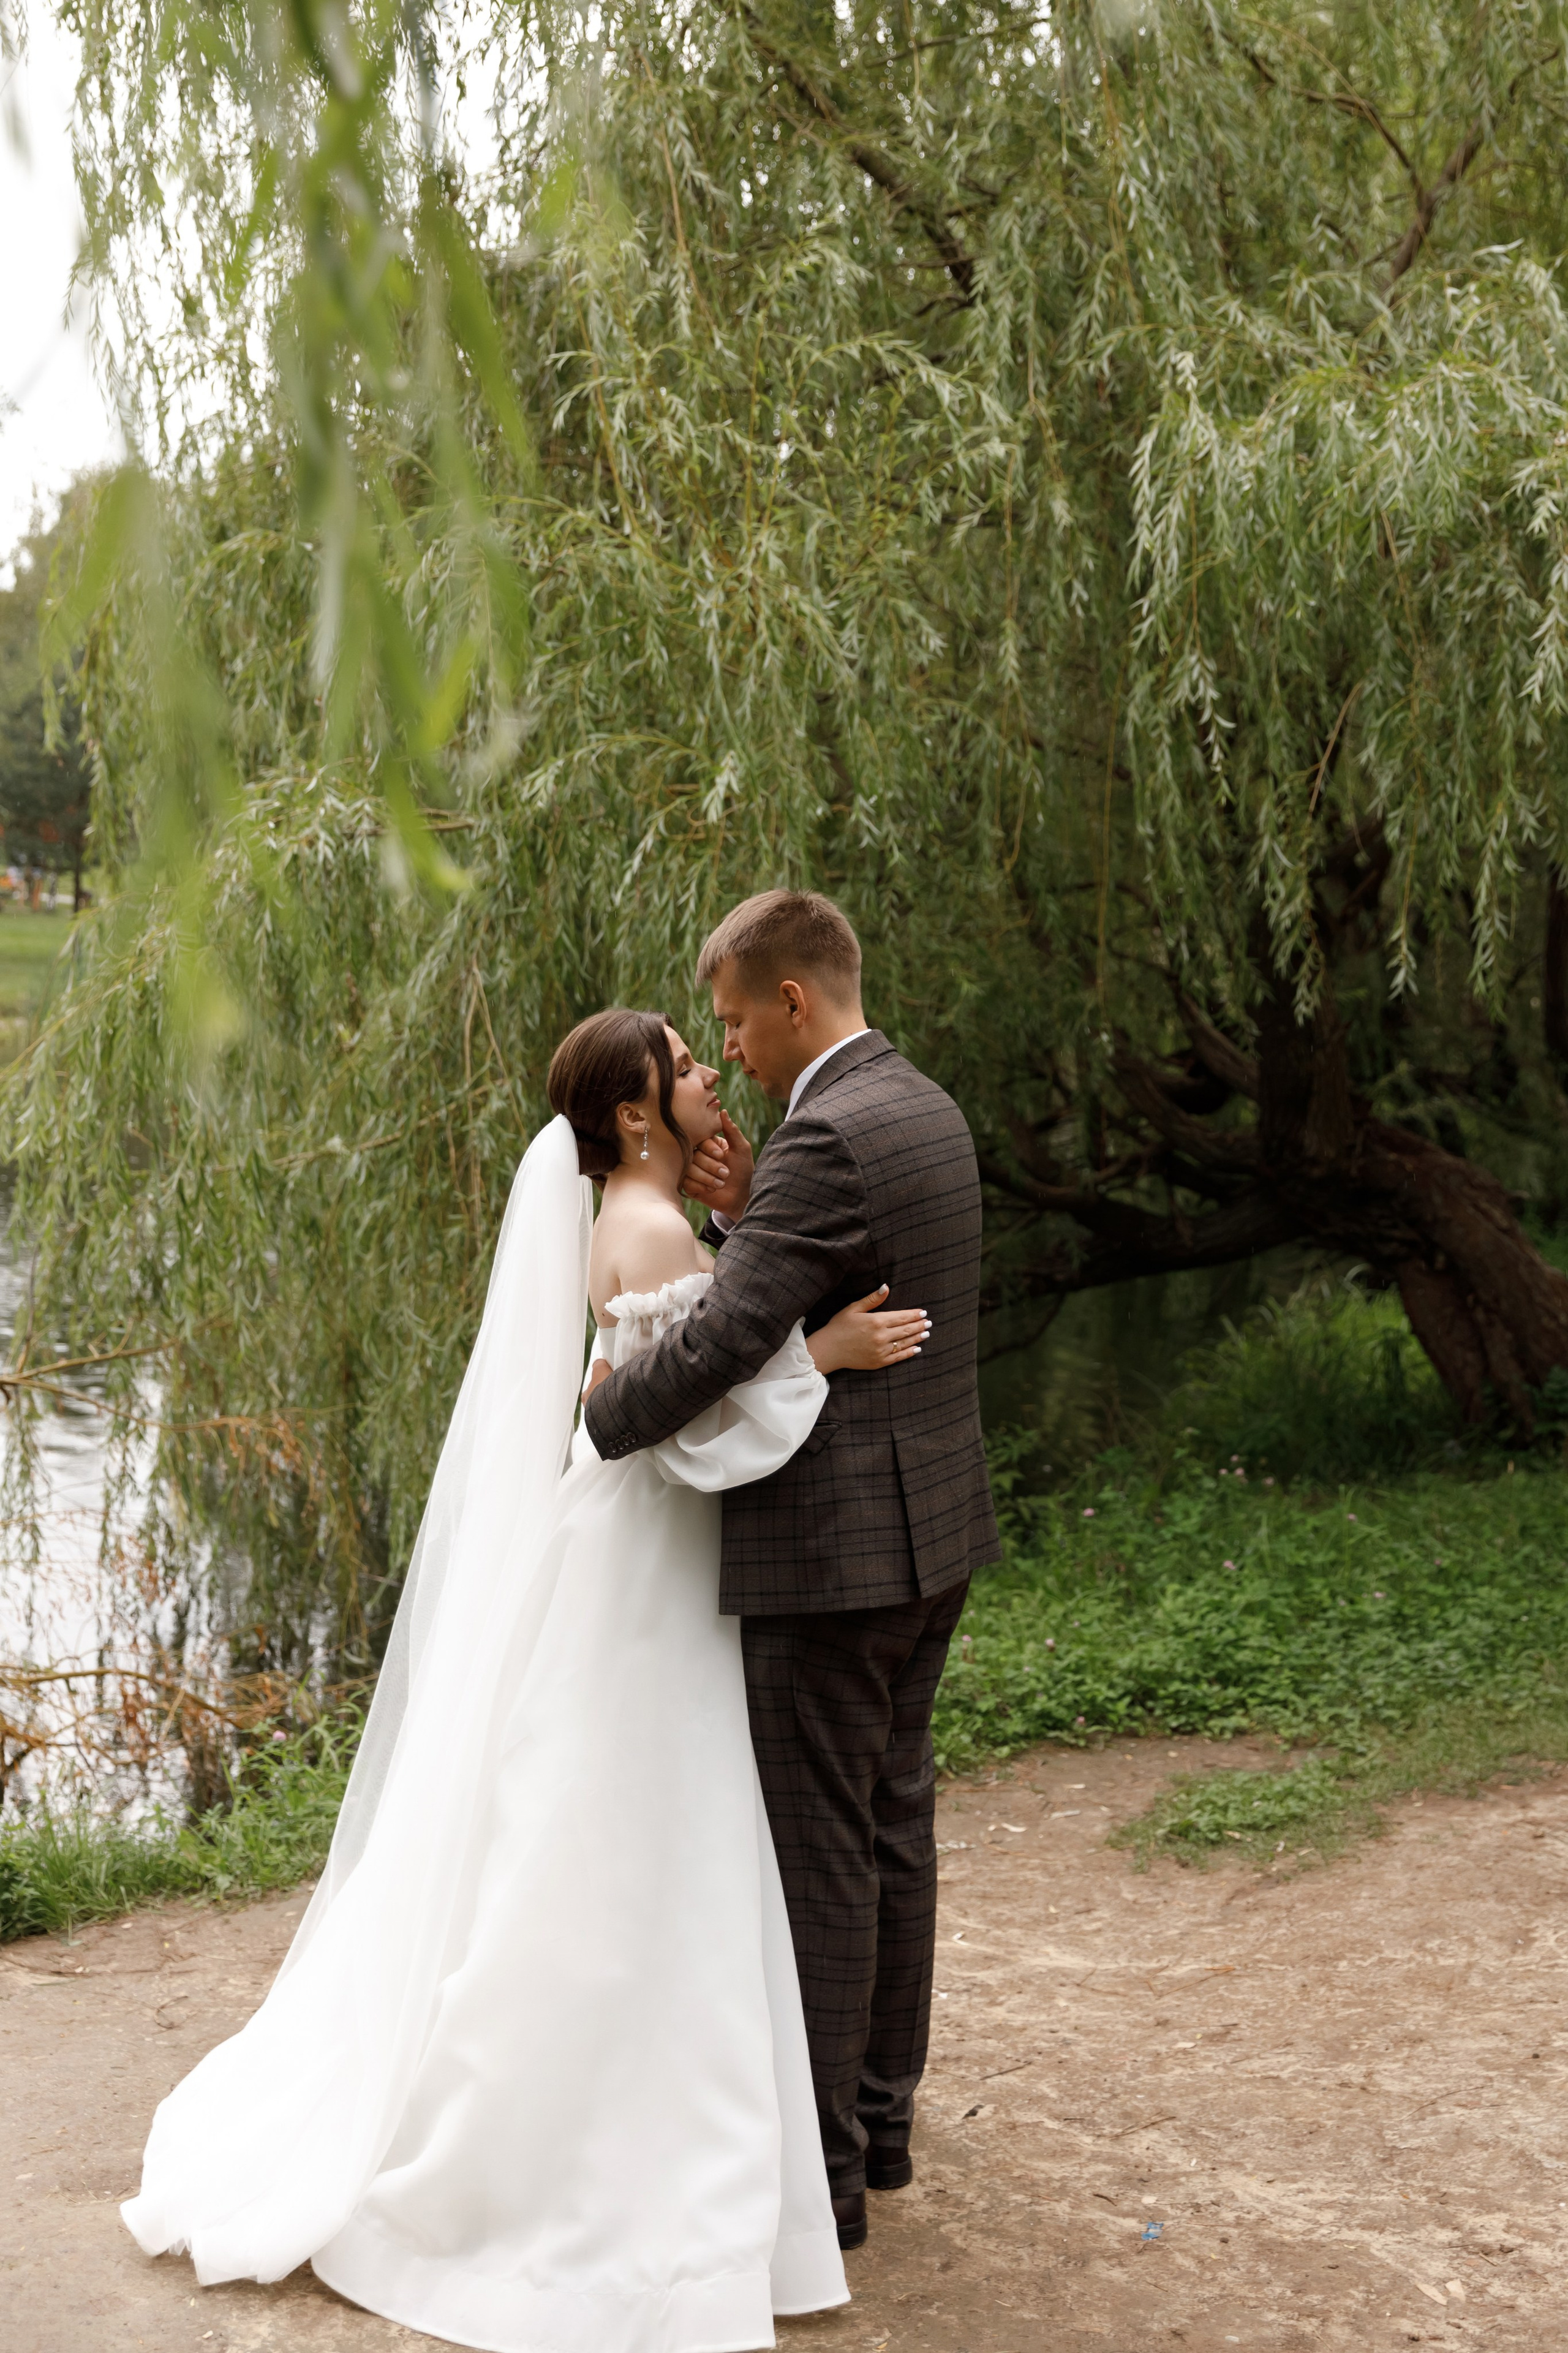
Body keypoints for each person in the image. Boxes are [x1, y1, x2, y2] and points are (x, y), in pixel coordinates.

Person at [122, 1009, 929, 2353]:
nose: (707, 1072)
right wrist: (816, 1356)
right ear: (632, 1115)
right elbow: (685, 1433)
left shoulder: (634, 1214)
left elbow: (669, 1364)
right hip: (648, 1567)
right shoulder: (650, 1228)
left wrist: (746, 1274)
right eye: (682, 1065)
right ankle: (587, 2155)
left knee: (587, 1828)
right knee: (634, 1836)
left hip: (615, 1551)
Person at [584, 891, 1000, 2253]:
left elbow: (723, 1340)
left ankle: (818, 2181)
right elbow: (827, 1267)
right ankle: (879, 2123)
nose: (731, 1054)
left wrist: (603, 1417)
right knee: (893, 1823)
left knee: (822, 1855)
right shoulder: (918, 1102)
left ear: (791, 1004)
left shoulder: (825, 1132)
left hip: (833, 1554)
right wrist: (756, 1210)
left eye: (730, 1024)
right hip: (930, 1529)